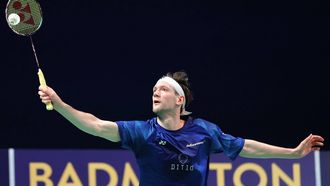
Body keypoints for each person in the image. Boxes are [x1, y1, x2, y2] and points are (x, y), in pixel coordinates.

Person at [38, 71, 324, 186]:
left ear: (179, 100)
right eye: (154, 89)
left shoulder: (203, 131)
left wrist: (293, 153)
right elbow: (97, 126)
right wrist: (61, 105)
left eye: (163, 89)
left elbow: (245, 146)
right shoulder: (143, 132)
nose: (156, 92)